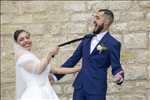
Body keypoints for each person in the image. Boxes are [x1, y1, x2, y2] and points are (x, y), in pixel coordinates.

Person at [51, 9, 124, 100]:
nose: (94, 21)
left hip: (97, 89)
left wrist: (119, 76)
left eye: (97, 18)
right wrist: (55, 76)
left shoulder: (113, 43)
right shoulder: (87, 39)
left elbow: (116, 66)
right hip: (80, 87)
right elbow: (73, 59)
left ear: (107, 22)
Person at [14, 29, 81, 100]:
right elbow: (38, 69)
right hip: (36, 95)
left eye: (27, 37)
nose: (26, 40)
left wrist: (80, 68)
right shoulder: (21, 56)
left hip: (48, 92)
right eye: (21, 40)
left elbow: (57, 70)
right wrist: (50, 53)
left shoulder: (33, 58)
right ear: (17, 44)